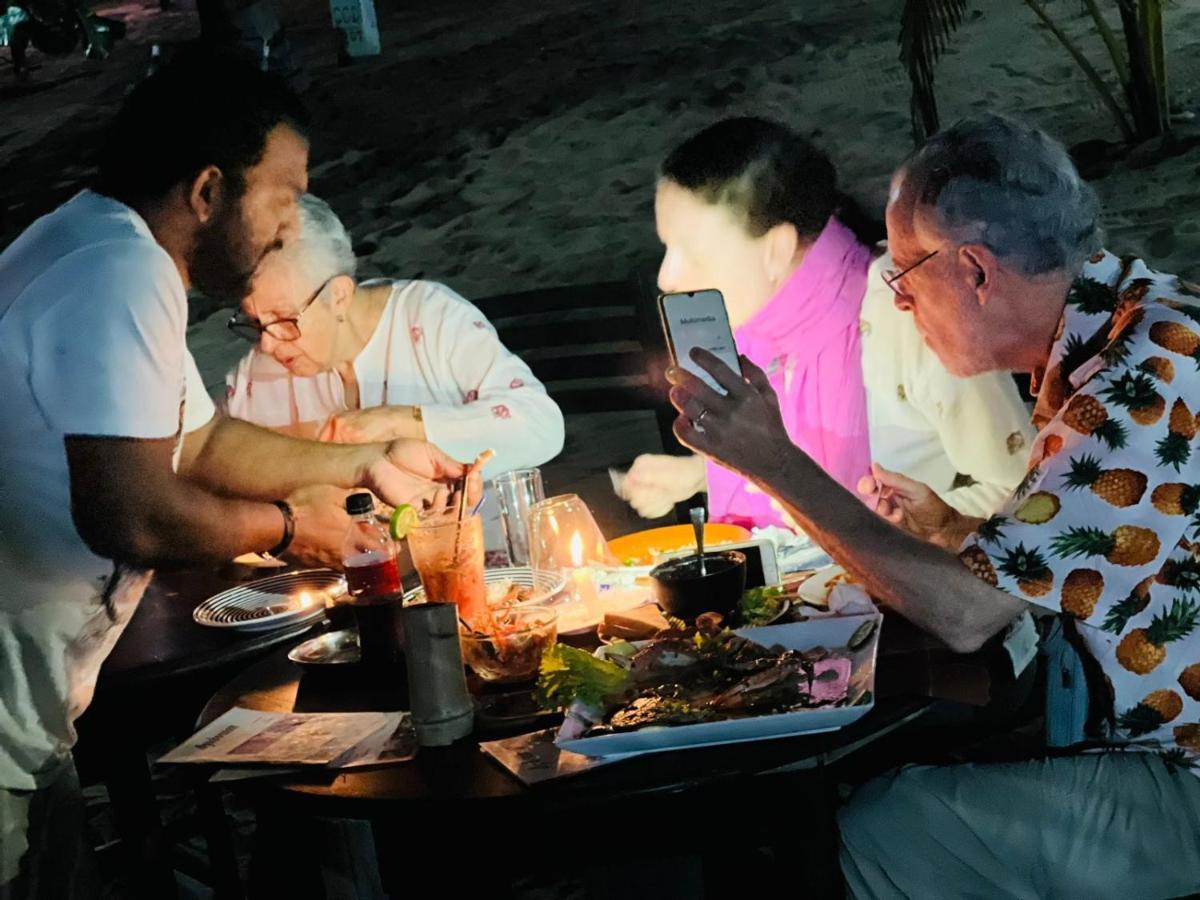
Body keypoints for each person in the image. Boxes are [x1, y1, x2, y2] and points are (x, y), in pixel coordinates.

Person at [666, 113, 1200, 897]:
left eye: (906, 273)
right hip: (1147, 732)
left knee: (886, 823)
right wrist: (949, 526)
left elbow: (966, 615)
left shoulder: (1136, 384)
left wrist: (774, 461)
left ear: (976, 272)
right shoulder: (1132, 325)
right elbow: (1106, 549)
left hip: (1184, 779)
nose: (901, 300)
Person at [0, 51, 463, 898]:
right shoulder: (118, 273)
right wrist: (291, 529)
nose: (289, 231)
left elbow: (202, 441)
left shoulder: (101, 243)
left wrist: (357, 462)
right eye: (282, 202)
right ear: (209, 192)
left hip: (25, 719)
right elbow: (132, 516)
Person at [616, 117, 1034, 529]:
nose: (665, 277)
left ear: (775, 249)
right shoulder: (754, 334)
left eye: (694, 253)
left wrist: (895, 529)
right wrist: (698, 476)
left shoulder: (909, 314)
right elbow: (793, 464)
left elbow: (1018, 487)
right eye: (667, 246)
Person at [223, 193, 565, 480]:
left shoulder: (430, 318)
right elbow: (210, 464)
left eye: (284, 320)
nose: (267, 344)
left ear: (339, 296)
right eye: (253, 322)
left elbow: (541, 426)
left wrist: (402, 423)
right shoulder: (255, 378)